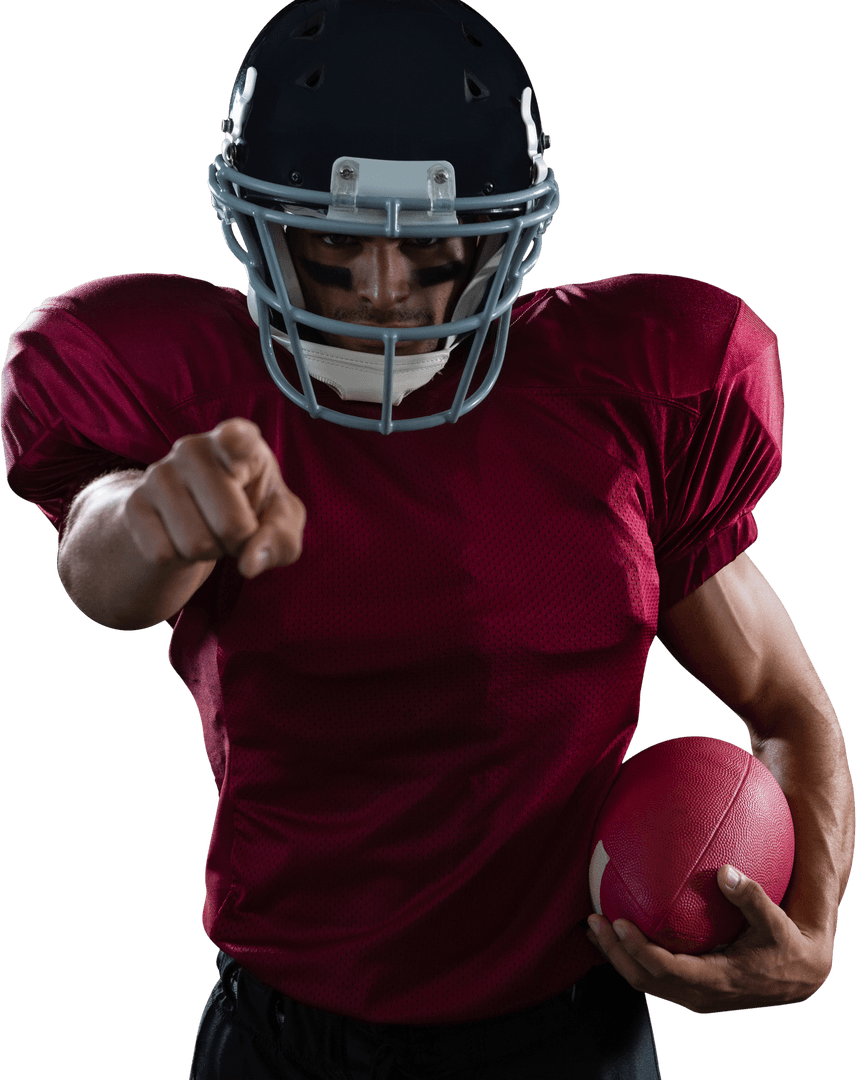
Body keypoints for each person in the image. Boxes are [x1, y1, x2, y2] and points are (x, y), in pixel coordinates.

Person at [1, 1, 852, 1077]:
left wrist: (812, 925)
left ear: (504, 239)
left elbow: (786, 704)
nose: (385, 295)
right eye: (331, 246)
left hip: (564, 1032)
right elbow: (101, 567)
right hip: (286, 1036)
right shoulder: (197, 410)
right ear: (256, 227)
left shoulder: (617, 408)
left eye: (432, 253)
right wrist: (158, 511)